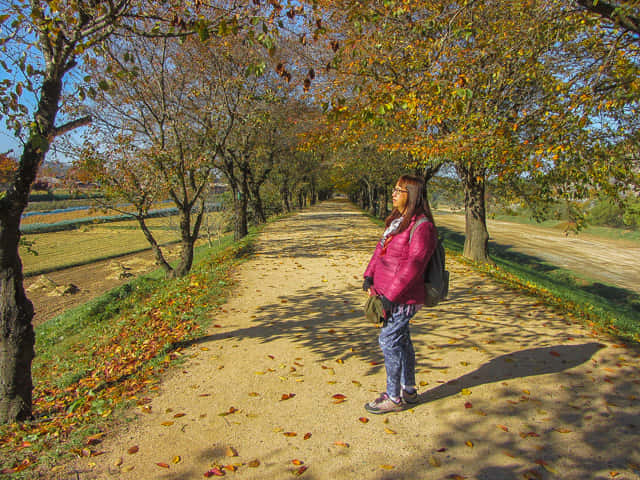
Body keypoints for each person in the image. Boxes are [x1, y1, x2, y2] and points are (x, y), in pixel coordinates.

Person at [362, 174, 438, 414]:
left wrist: (390, 296)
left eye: (399, 190)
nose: (393, 193)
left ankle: (393, 397)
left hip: (403, 297)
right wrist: (369, 275)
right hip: (385, 292)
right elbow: (380, 250)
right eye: (394, 188)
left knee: (388, 340)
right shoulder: (396, 220)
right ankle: (409, 391)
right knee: (402, 341)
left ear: (412, 195)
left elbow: (413, 266)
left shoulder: (422, 226)